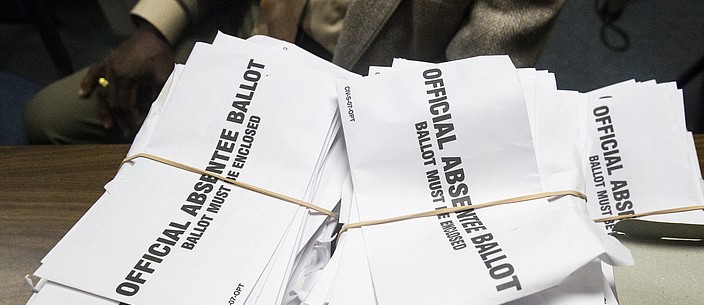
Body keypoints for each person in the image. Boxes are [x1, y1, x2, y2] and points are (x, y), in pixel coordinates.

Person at [24, 0, 565, 144]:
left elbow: (466, 90)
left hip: (375, 98)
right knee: (50, 116)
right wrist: (157, 28)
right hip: (249, 40)